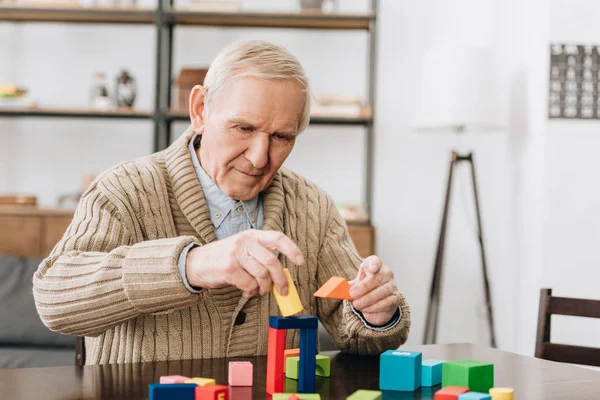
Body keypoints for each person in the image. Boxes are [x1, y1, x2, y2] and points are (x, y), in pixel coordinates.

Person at [33, 40, 410, 364]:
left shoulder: (313, 207)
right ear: (200, 110)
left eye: (281, 137)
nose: (260, 157)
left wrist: (377, 314)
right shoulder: (123, 190)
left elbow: (355, 329)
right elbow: (54, 299)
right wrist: (191, 265)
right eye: (244, 128)